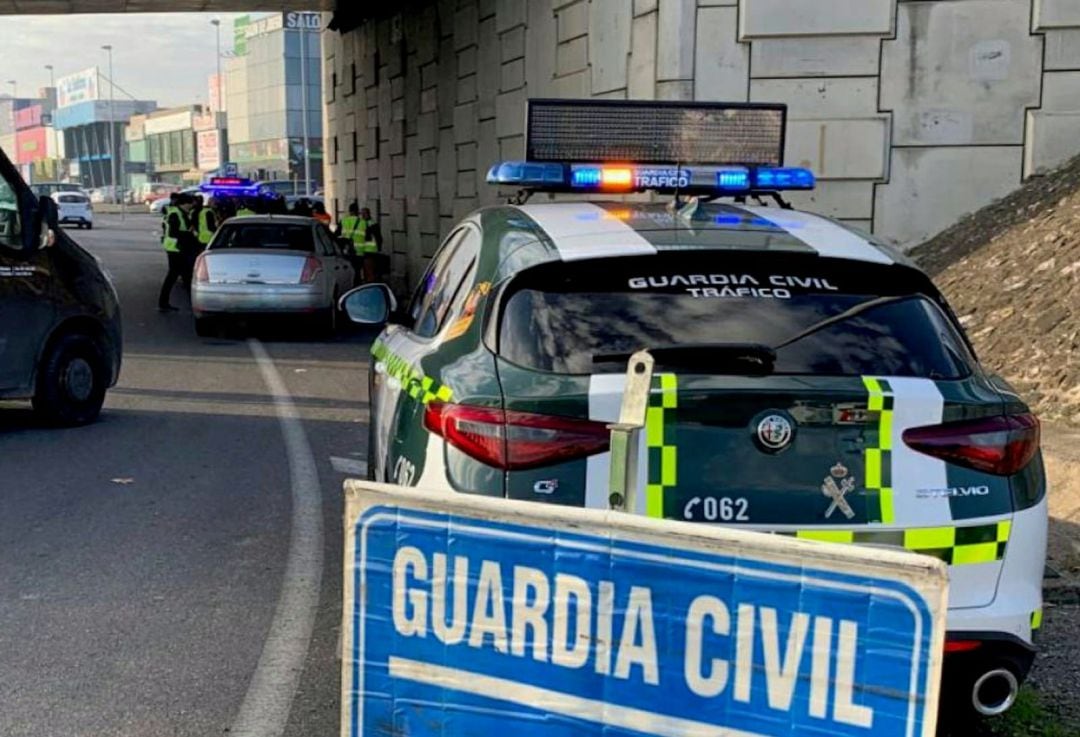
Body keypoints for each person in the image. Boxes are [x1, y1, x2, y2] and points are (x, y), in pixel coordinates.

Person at [157, 194, 194, 312]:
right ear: (184, 204)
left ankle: (165, 302)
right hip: (175, 248)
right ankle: (163, 302)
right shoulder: (175, 214)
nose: (191, 206)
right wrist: (189, 234)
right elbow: (174, 232)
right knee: (174, 276)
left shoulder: (180, 213)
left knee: (184, 275)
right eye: (190, 204)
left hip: (179, 248)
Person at [337, 202, 381, 283]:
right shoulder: (363, 222)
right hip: (359, 253)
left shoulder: (343, 221)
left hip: (347, 253)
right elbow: (368, 238)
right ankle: (357, 287)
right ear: (358, 212)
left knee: (348, 273)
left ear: (349, 211)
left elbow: (336, 235)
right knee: (357, 273)